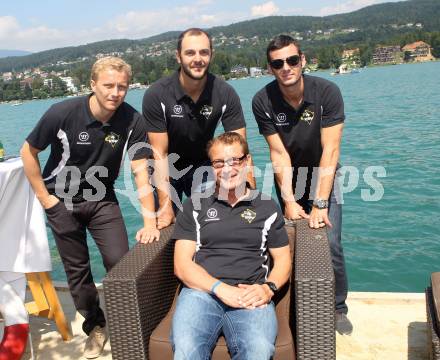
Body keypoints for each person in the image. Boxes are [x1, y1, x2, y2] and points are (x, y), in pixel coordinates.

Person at [21, 57, 159, 358]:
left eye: (122, 86)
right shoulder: (63, 113)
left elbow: (140, 170)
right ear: (92, 85)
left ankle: (127, 321)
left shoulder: (132, 120)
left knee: (121, 262)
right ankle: (96, 326)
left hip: (102, 200)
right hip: (62, 201)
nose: (115, 93)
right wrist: (46, 199)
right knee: (78, 273)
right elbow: (27, 152)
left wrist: (150, 220)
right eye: (108, 85)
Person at [252, 35, 352, 335]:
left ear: (303, 60)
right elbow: (278, 153)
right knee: (281, 244)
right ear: (271, 68)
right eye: (278, 63)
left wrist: (320, 203)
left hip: (325, 174)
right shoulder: (262, 100)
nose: (286, 67)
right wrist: (290, 202)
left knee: (330, 244)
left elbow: (331, 150)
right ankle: (289, 303)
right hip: (289, 180)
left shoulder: (328, 92)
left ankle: (337, 307)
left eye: (292, 60)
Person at [171, 132, 291, 360]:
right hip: (201, 293)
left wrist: (268, 289)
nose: (228, 169)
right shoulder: (195, 204)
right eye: (219, 163)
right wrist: (220, 289)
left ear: (247, 161)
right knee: (186, 348)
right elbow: (182, 265)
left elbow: (284, 260)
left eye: (235, 160)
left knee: (258, 350)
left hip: (251, 295)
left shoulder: (266, 206)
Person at [143, 28, 255, 229]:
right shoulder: (157, 94)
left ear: (211, 54)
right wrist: (166, 206)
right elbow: (158, 153)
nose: (198, 59)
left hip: (202, 165)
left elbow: (240, 150)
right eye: (190, 53)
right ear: (178, 57)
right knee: (167, 226)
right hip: (167, 166)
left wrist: (250, 194)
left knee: (214, 220)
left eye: (204, 52)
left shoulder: (224, 92)